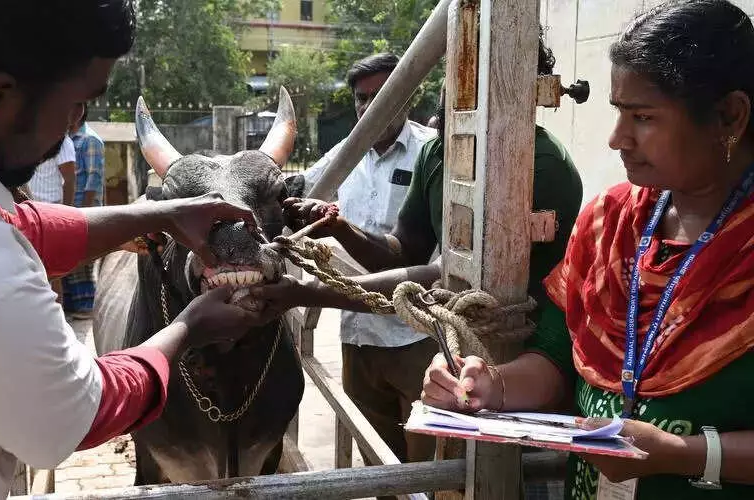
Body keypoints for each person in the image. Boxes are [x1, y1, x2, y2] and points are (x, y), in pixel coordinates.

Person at [421, 1, 754, 498]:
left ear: (729, 115)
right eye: (620, 112)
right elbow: (558, 358)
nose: (617, 138)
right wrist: (490, 385)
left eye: (643, 117)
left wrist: (684, 453)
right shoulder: (610, 224)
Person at [0, 2, 265, 498]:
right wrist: (189, 327)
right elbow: (78, 410)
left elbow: (24, 224)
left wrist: (160, 214)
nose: (74, 126)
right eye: (77, 104)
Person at [254, 30, 583, 466]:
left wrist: (305, 292)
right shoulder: (440, 154)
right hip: (448, 353)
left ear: (521, 89)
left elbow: (445, 276)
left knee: (485, 473)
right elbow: (405, 251)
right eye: (456, 69)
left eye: (474, 75)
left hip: (528, 365)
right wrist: (340, 229)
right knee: (392, 464)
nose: (456, 88)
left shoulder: (537, 164)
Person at [297, 52, 439, 464]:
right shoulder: (346, 154)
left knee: (424, 469)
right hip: (358, 334)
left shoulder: (431, 152)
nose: (369, 108)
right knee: (376, 459)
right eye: (362, 98)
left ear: (408, 98)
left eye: (382, 97)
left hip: (417, 334)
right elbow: (299, 188)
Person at [63, 105, 105, 318]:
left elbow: (93, 178)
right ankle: (73, 304)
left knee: (83, 257)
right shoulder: (67, 139)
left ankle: (86, 306)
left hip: (83, 208)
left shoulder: (90, 139)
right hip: (71, 206)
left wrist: (85, 213)